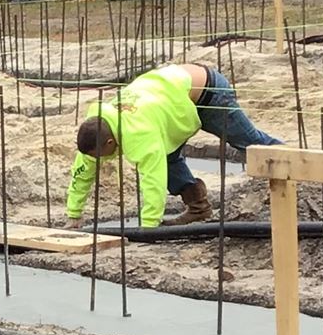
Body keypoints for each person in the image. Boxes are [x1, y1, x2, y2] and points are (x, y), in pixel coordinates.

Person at [65, 62, 280, 227]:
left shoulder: (137, 132)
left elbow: (153, 180)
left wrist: (148, 227)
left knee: (250, 143)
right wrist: (74, 214)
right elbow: (82, 173)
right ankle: (198, 207)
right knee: (168, 158)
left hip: (208, 92)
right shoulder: (97, 128)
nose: (100, 160)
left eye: (102, 155)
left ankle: (299, 177)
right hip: (175, 98)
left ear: (111, 141)